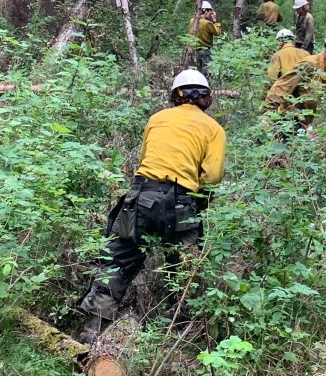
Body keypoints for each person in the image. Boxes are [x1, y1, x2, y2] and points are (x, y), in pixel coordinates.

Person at [78, 69, 226, 344]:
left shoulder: (157, 119)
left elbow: (145, 159)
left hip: (140, 196)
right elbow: (212, 177)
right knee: (182, 267)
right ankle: (180, 333)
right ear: (206, 98)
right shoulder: (214, 129)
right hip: (182, 201)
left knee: (118, 260)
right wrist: (198, 201)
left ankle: (91, 329)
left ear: (175, 96)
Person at [264, 29, 326, 128]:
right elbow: (281, 86)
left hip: (303, 123)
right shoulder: (309, 64)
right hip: (289, 121)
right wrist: (268, 114)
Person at [189, 1, 221, 76]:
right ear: (206, 11)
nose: (210, 14)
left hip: (194, 50)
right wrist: (215, 21)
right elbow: (217, 33)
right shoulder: (207, 23)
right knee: (206, 73)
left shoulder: (192, 21)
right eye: (210, 12)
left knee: (196, 72)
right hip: (205, 52)